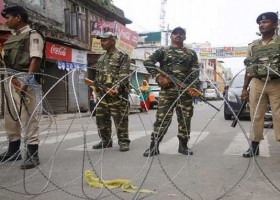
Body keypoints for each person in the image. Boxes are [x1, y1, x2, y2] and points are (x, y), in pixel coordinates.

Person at [142, 27, 200, 157]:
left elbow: (195, 71)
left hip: (185, 92)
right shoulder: (163, 51)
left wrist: (193, 87)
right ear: (171, 36)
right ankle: (154, 146)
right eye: (175, 33)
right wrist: (159, 77)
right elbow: (148, 62)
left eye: (181, 34)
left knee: (185, 119)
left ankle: (183, 146)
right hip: (167, 92)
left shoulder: (191, 53)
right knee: (162, 119)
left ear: (185, 37)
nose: (178, 35)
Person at [0, 5, 44, 169]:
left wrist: (26, 83)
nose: (7, 21)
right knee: (10, 116)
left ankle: (33, 154)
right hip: (10, 79)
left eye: (9, 17)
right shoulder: (11, 38)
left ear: (18, 17)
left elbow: (35, 59)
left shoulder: (33, 35)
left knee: (29, 116)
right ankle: (14, 150)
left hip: (25, 79)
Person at [241, 12, 280, 158]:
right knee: (256, 114)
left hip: (276, 83)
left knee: (278, 114)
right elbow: (249, 68)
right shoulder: (253, 45)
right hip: (257, 83)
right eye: (260, 23)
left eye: (266, 22)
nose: (262, 25)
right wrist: (245, 88)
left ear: (275, 25)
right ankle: (254, 146)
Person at [89, 32, 130, 152]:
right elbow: (98, 76)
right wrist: (95, 88)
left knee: (120, 119)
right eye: (101, 41)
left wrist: (116, 87)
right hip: (102, 94)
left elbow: (123, 75)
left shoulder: (122, 56)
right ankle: (105, 141)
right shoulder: (101, 58)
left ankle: (123, 141)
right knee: (101, 118)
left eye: (104, 40)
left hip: (117, 95)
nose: (102, 43)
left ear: (112, 41)